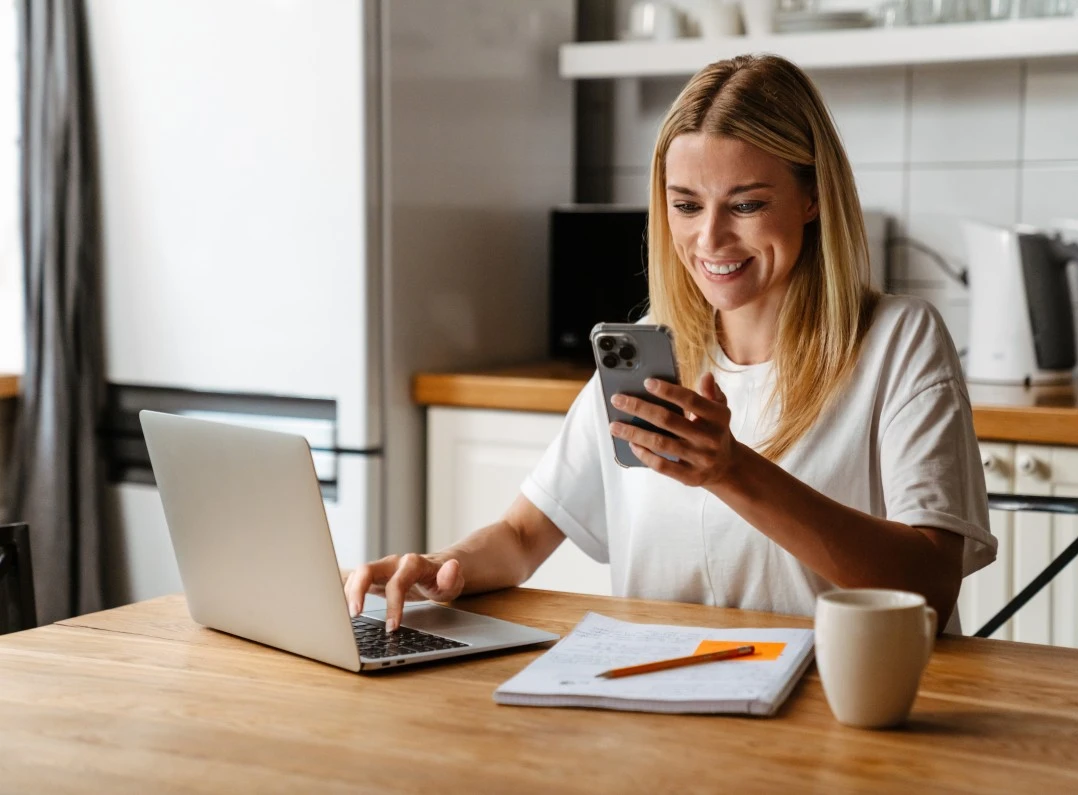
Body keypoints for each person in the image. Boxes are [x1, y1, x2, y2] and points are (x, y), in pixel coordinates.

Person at [344, 54, 995, 634]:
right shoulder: (653, 353)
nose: (710, 239)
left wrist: (734, 470)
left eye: (744, 204)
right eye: (686, 205)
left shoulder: (898, 341)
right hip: (663, 710)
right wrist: (441, 565)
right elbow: (519, 536)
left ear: (812, 198)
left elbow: (930, 588)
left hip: (841, 719)